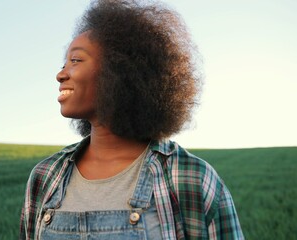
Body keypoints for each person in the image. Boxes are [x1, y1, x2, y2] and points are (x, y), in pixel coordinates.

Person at [20, 0, 244, 239]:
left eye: (75, 61)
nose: (61, 74)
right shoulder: (45, 177)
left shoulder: (191, 178)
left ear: (119, 70)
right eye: (64, 64)